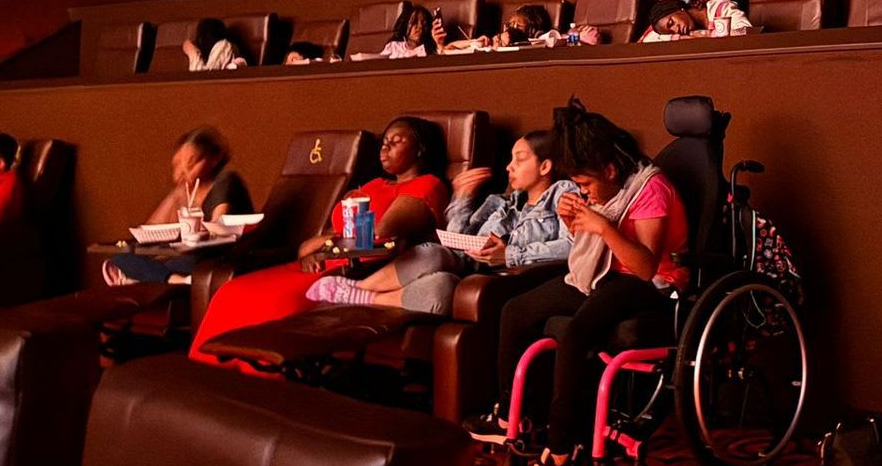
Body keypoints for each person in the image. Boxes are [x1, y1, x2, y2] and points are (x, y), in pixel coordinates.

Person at [474, 101, 689, 466]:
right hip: (604, 272)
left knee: (575, 335)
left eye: (586, 184)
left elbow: (645, 267)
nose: (582, 191)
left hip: (652, 284)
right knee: (515, 311)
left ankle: (559, 449)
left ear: (610, 170)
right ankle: (516, 418)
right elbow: (587, 245)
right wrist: (577, 221)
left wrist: (602, 226)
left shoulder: (651, 189)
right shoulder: (604, 184)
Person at [190, 117, 448, 364]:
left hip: (357, 270)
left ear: (420, 149)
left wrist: (327, 246)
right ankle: (208, 376)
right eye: (384, 142)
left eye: (398, 140)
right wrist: (321, 249)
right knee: (233, 291)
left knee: (277, 302)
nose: (386, 146)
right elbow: (310, 245)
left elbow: (381, 234)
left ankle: (258, 385)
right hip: (320, 263)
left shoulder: (428, 184)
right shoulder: (371, 186)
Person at [309, 131, 574, 314]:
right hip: (466, 264)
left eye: (519, 159)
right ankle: (354, 290)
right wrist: (461, 197)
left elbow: (571, 246)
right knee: (434, 259)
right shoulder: (501, 202)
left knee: (441, 290)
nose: (509, 167)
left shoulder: (563, 195)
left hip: (504, 277)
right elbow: (456, 237)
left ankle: (359, 295)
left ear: (545, 167)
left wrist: (511, 254)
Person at [101, 129, 255, 286]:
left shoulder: (225, 180)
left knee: (153, 266)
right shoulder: (187, 193)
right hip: (195, 259)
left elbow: (217, 224)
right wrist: (175, 196)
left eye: (192, 162)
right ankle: (172, 280)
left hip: (221, 259)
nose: (184, 171)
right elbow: (150, 229)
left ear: (214, 158)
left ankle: (154, 279)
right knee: (121, 257)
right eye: (178, 165)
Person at [639, 0, 751, 42]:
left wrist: (704, 35)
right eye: (670, 31)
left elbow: (746, 32)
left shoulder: (720, 7)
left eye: (671, 23)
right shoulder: (674, 26)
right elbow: (646, 41)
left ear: (680, 9)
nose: (675, 29)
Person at [351, 4, 440, 60]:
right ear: (405, 25)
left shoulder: (430, 50)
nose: (420, 27)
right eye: (414, 22)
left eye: (424, 24)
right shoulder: (393, 47)